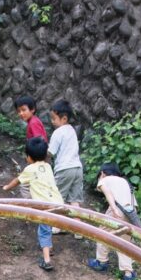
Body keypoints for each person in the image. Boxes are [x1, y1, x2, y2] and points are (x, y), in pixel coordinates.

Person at [3, 137, 63, 271]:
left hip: (45, 206)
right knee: (47, 228)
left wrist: (6, 187)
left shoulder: (29, 169)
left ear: (29, 157)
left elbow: (17, 181)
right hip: (59, 203)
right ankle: (49, 246)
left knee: (44, 231)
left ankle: (47, 260)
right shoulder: (48, 166)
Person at [87, 163, 137, 280]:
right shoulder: (124, 181)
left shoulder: (106, 179)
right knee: (124, 240)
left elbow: (107, 193)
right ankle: (128, 273)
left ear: (103, 173)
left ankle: (101, 262)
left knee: (102, 233)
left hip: (117, 210)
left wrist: (114, 209)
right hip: (131, 211)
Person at [47, 100, 83, 239]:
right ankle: (78, 229)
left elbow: (51, 152)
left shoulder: (58, 132)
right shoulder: (72, 130)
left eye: (54, 118)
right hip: (77, 168)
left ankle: (58, 225)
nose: (52, 122)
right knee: (75, 200)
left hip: (64, 169)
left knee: (57, 197)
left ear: (64, 118)